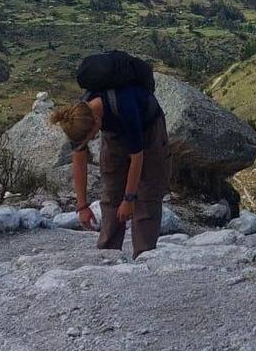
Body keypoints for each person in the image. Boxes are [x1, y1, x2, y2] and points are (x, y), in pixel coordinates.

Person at [50, 81, 169, 257]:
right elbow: (79, 159)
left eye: (90, 139)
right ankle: (108, 254)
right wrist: (82, 206)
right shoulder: (78, 117)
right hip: (114, 132)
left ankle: (144, 256)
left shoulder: (126, 107)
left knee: (147, 194)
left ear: (97, 122)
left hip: (148, 128)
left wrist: (128, 200)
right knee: (112, 190)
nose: (90, 142)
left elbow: (137, 159)